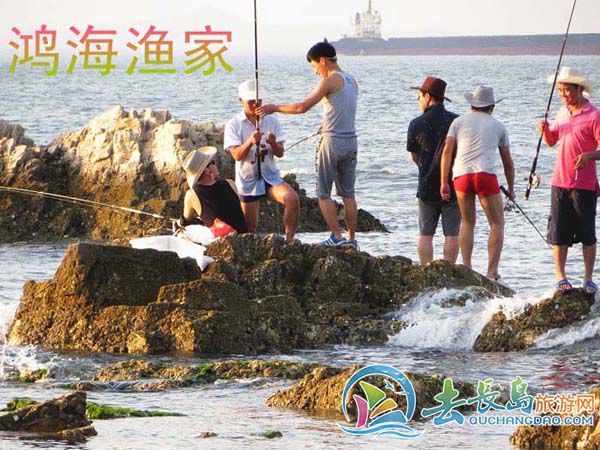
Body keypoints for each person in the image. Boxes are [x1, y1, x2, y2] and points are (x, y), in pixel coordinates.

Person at [257, 40, 359, 249]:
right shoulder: (352, 81)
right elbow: (343, 110)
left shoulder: (329, 81)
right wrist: (326, 124)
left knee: (323, 194)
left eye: (314, 66)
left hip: (332, 143)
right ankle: (351, 240)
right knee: (348, 194)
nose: (315, 71)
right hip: (351, 141)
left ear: (322, 61)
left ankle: (337, 237)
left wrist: (274, 108)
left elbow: (302, 107)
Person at [440, 85, 515, 280]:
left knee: (467, 222)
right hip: (485, 175)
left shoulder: (457, 122)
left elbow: (447, 152)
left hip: (461, 176)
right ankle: (492, 272)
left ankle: (467, 267)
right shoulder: (498, 126)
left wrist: (444, 182)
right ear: (492, 106)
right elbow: (508, 162)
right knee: (497, 223)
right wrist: (511, 188)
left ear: (472, 104)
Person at [538, 67, 600, 293]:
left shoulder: (594, 115)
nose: (563, 95)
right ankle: (561, 277)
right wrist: (545, 130)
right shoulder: (562, 112)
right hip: (559, 181)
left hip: (584, 184)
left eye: (567, 90)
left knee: (587, 234)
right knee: (559, 233)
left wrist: (588, 156)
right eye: (560, 90)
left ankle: (588, 279)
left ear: (579, 89)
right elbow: (552, 141)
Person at [224, 79, 300, 241]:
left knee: (292, 199)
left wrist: (273, 143)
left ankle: (289, 241)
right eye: (250, 101)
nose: (255, 104)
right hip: (248, 180)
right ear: (241, 100)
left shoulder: (272, 121)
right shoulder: (233, 124)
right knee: (249, 227)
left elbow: (280, 153)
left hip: (270, 176)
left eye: (258, 100)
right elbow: (236, 155)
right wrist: (250, 141)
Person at [407, 76, 460, 264]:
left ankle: (426, 270)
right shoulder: (456, 121)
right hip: (453, 182)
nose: (418, 100)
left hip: (427, 182)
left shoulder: (416, 123)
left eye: (420, 96)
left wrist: (425, 166)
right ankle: (449, 270)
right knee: (452, 234)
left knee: (425, 234)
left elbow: (415, 156)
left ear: (428, 97)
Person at [181, 146, 248, 235]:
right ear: (207, 171)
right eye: (213, 162)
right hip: (243, 236)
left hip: (220, 241)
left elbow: (186, 220)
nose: (216, 165)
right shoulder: (230, 183)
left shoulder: (192, 195)